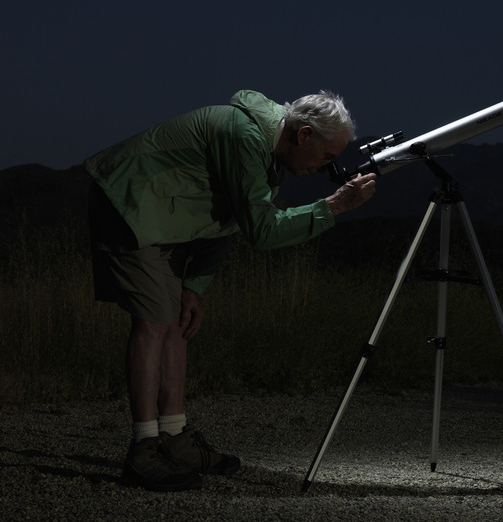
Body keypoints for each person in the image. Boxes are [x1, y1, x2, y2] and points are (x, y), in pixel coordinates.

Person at [84, 89, 377, 491]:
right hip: (128, 203)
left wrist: (195, 285)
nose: (329, 168)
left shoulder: (267, 151)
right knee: (154, 322)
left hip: (164, 215)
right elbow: (260, 230)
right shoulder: (243, 136)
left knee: (176, 324)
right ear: (304, 134)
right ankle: (143, 450)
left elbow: (228, 219)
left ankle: (176, 439)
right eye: (327, 156)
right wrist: (334, 207)